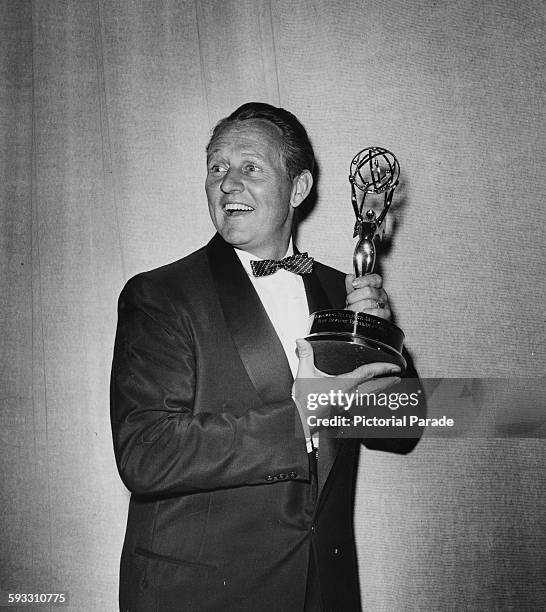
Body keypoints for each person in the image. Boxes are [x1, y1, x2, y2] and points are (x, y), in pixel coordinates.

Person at [110, 102, 422, 611]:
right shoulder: (160, 295)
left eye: (249, 167)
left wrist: (380, 339)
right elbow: (147, 452)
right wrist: (303, 415)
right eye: (216, 167)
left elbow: (401, 430)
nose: (227, 182)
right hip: (200, 596)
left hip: (324, 592)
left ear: (297, 188)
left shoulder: (339, 290)